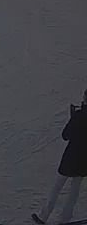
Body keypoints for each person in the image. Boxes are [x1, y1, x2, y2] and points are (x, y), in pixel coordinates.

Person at [35, 90, 87, 224]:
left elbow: (65, 135)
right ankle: (65, 218)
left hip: (70, 157)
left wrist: (73, 117)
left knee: (57, 186)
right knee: (74, 190)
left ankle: (43, 216)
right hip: (84, 160)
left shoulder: (79, 115)